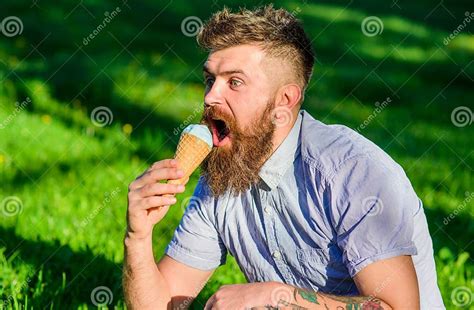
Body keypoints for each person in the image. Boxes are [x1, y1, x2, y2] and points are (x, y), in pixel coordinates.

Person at [123, 5, 444, 309]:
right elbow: (162, 304)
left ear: (284, 101)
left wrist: (276, 295)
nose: (210, 96)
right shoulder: (220, 180)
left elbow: (396, 306)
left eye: (234, 82)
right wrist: (137, 237)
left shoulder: (352, 172)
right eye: (210, 80)